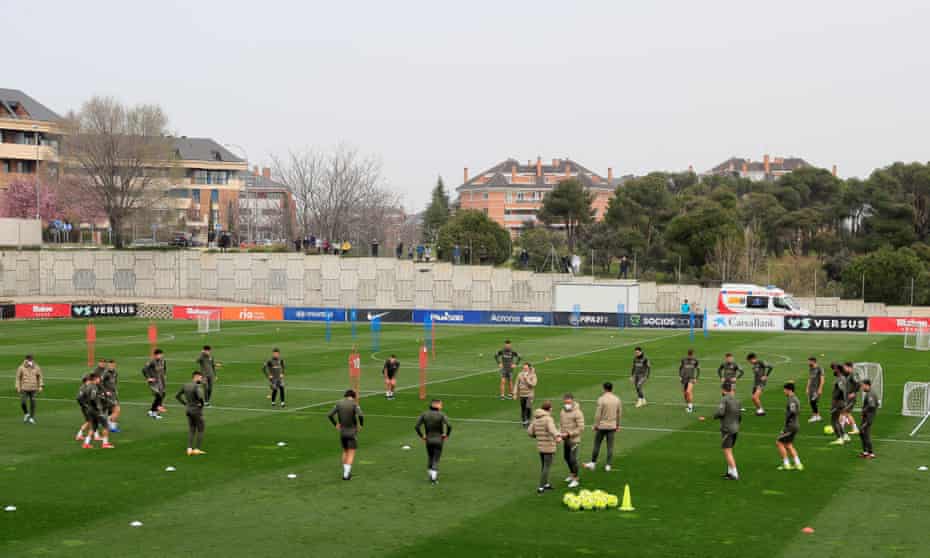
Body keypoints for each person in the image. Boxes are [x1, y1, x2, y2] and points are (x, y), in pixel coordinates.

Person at [584, 382, 621, 472]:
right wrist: (618, 425)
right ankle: (608, 465)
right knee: (610, 446)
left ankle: (593, 463)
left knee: (597, 444)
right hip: (612, 426)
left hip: (602, 426)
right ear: (612, 389)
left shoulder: (601, 399)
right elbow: (619, 414)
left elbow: (598, 414)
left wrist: (595, 425)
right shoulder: (617, 399)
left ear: (604, 389)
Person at [328, 390, 364, 480]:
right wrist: (361, 425)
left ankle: (346, 472)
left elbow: (329, 415)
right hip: (352, 432)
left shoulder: (339, 403)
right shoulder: (354, 404)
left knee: (345, 451)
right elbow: (361, 415)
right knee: (351, 453)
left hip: (342, 432)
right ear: (353, 396)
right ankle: (346, 475)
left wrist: (335, 424)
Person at [415, 399, 452, 484]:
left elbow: (416, 427)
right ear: (437, 405)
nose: (442, 406)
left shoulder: (424, 414)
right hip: (439, 439)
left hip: (428, 439)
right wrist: (447, 435)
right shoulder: (441, 414)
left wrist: (422, 436)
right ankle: (434, 479)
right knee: (436, 459)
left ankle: (430, 476)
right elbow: (449, 426)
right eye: (441, 404)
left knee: (430, 457)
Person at [528, 400, 561, 494]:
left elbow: (530, 432)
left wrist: (537, 436)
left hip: (540, 446)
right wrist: (557, 436)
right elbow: (552, 429)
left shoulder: (536, 418)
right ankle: (541, 487)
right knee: (546, 467)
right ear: (550, 409)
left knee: (544, 466)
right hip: (548, 447)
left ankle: (545, 484)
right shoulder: (548, 419)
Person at [77, 373, 113, 449]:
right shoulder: (93, 387)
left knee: (93, 428)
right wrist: (97, 407)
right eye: (98, 378)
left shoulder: (87, 387)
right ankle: (105, 443)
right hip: (95, 410)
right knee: (106, 426)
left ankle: (86, 443)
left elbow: (81, 398)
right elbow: (93, 398)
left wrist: (87, 405)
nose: (99, 380)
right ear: (95, 379)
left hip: (89, 410)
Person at [714, 381, 741, 480]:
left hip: (727, 429)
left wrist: (715, 415)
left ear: (724, 390)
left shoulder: (724, 399)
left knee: (727, 451)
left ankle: (734, 474)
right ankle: (729, 472)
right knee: (730, 450)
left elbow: (720, 412)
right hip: (735, 428)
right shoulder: (737, 400)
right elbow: (739, 416)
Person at [176, 371, 207, 456]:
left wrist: (185, 403)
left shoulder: (185, 385)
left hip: (188, 409)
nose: (201, 379)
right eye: (200, 377)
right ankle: (197, 449)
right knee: (201, 429)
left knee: (192, 429)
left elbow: (177, 396)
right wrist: (202, 404)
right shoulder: (196, 386)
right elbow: (200, 397)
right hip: (196, 410)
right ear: (196, 377)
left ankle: (189, 449)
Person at [776, 382, 804, 471]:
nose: (784, 391)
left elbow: (793, 411)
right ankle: (798, 464)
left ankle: (786, 464)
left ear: (788, 390)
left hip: (790, 426)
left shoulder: (791, 400)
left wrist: (787, 423)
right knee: (788, 444)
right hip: (795, 425)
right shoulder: (795, 398)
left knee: (779, 442)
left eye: (784, 390)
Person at [559, 393, 585, 488]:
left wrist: (569, 433)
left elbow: (581, 428)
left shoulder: (578, 412)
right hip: (565, 439)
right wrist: (559, 434)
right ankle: (572, 474)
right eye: (565, 402)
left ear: (573, 401)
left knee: (572, 459)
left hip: (574, 440)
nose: (567, 404)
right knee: (566, 457)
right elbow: (561, 424)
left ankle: (575, 479)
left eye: (569, 402)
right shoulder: (563, 411)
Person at [15, 354, 43, 424]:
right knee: (23, 402)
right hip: (24, 388)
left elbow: (40, 377)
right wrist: (18, 387)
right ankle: (26, 413)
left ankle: (31, 418)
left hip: (33, 388)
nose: (30, 361)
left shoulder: (36, 367)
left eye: (31, 359)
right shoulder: (21, 367)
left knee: (33, 403)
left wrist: (41, 386)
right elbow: (18, 378)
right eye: (29, 359)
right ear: (26, 359)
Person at [142, 349, 167, 420]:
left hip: (161, 381)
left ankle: (151, 410)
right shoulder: (151, 362)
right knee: (158, 396)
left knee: (162, 395)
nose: (161, 356)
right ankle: (155, 413)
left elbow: (164, 368)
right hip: (154, 382)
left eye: (162, 354)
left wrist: (164, 375)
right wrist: (148, 378)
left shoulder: (163, 361)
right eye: (159, 354)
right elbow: (144, 369)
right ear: (155, 355)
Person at [828, 363, 848, 446]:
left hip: (838, 402)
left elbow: (842, 390)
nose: (834, 371)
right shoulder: (842, 378)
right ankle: (844, 436)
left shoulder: (840, 379)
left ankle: (839, 438)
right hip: (841, 402)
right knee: (837, 420)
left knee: (834, 420)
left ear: (838, 370)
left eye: (835, 369)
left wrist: (836, 402)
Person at [859, 379, 879, 458]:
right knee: (862, 433)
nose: (862, 387)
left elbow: (872, 405)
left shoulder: (870, 394)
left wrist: (864, 410)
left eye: (863, 385)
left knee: (865, 434)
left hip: (868, 417)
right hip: (866, 417)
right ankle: (865, 452)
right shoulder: (869, 393)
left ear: (867, 385)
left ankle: (871, 453)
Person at [513, 363, 538, 428]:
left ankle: (529, 420)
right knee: (523, 408)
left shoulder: (533, 375)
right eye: (523, 368)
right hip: (522, 394)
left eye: (526, 368)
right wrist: (515, 393)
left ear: (529, 368)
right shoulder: (520, 374)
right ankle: (524, 421)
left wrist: (527, 379)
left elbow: (533, 384)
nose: (524, 369)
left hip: (529, 394)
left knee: (528, 407)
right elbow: (516, 384)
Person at [841, 362, 860, 437]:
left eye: (845, 367)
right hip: (847, 398)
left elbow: (858, 384)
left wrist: (854, 393)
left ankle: (841, 429)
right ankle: (855, 429)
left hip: (851, 398)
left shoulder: (853, 375)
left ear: (849, 367)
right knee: (847, 413)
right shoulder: (848, 375)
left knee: (843, 412)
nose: (844, 369)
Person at [101, 359, 121, 432]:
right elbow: (100, 383)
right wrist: (105, 391)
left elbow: (114, 382)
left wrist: (115, 390)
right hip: (108, 395)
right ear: (108, 365)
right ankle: (107, 422)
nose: (111, 366)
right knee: (117, 409)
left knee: (112, 411)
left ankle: (111, 426)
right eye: (110, 365)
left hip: (114, 394)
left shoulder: (115, 372)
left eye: (113, 365)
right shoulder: (105, 373)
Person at [805, 357, 825, 422]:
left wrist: (820, 388)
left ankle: (817, 416)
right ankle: (816, 415)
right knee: (811, 402)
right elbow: (810, 379)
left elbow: (822, 379)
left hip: (816, 389)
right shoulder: (811, 368)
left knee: (813, 402)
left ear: (813, 361)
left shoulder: (820, 368)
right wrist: (807, 388)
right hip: (811, 388)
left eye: (809, 361)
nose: (808, 363)